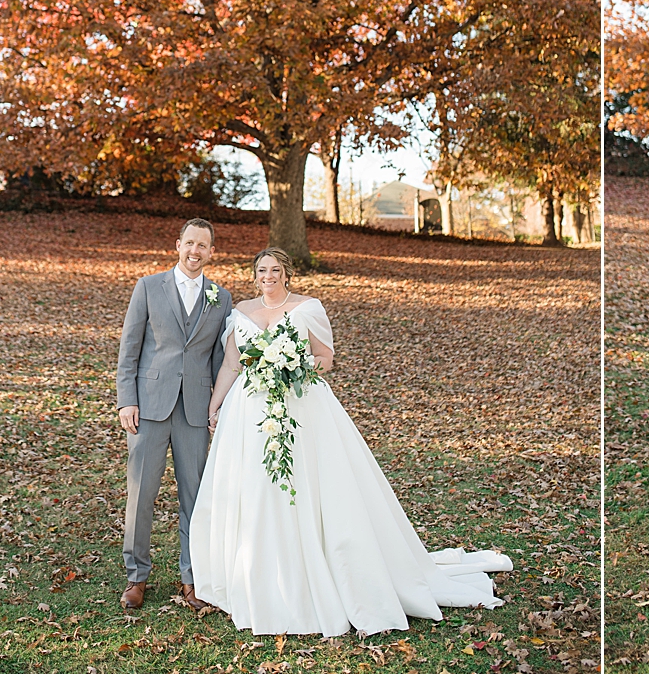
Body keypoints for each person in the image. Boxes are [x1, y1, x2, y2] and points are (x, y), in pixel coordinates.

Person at [189, 247, 511, 636]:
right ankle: (257, 577)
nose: (268, 276)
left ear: (287, 274)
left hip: (300, 405)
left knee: (307, 485)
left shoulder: (308, 307)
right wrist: (215, 404)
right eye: (261, 270)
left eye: (275, 270)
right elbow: (231, 364)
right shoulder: (239, 312)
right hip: (248, 412)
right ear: (254, 275)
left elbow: (326, 358)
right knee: (255, 490)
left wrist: (295, 364)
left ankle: (318, 570)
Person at [116, 218, 232, 611]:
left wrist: (218, 407)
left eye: (204, 246)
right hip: (149, 404)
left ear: (211, 252)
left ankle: (193, 577)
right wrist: (126, 399)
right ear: (178, 244)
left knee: (195, 496)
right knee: (141, 493)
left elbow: (221, 360)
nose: (195, 251)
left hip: (194, 410)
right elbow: (129, 347)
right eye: (190, 243)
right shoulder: (149, 287)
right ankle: (137, 576)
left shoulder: (221, 297)